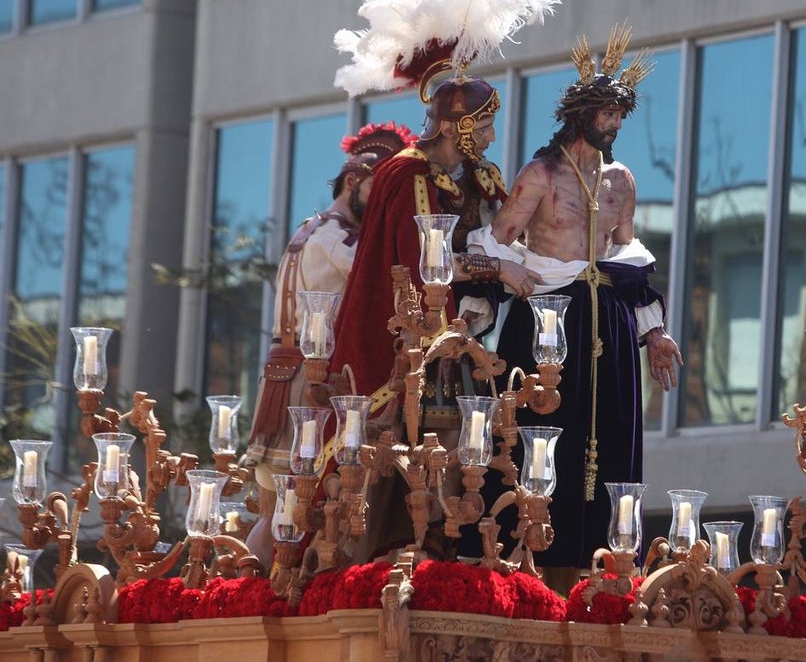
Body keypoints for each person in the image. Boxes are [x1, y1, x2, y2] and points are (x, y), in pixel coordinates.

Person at [469, 28, 683, 577]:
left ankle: (606, 565)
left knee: (610, 440)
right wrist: (506, 270)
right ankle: (527, 557)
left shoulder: (621, 181)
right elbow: (493, 243)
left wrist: (655, 332)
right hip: (547, 314)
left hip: (608, 320)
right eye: (608, 114)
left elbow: (628, 261)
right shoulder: (541, 174)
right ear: (582, 114)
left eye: (620, 116)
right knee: (541, 438)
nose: (615, 125)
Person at [330, 72, 541, 559]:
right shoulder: (409, 174)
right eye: (482, 127)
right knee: (405, 453)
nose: (491, 137)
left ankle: (436, 553)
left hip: (454, 338)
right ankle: (382, 559)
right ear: (451, 127)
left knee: (455, 452)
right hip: (408, 338)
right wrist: (500, 269)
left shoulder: (472, 175)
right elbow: (429, 263)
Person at [244, 121, 416, 567]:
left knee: (277, 504)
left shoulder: (308, 228)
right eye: (378, 191)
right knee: (288, 503)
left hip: (281, 371)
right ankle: (256, 591)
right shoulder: (336, 236)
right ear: (353, 181)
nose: (382, 205)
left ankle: (253, 588)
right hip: (307, 378)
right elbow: (378, 277)